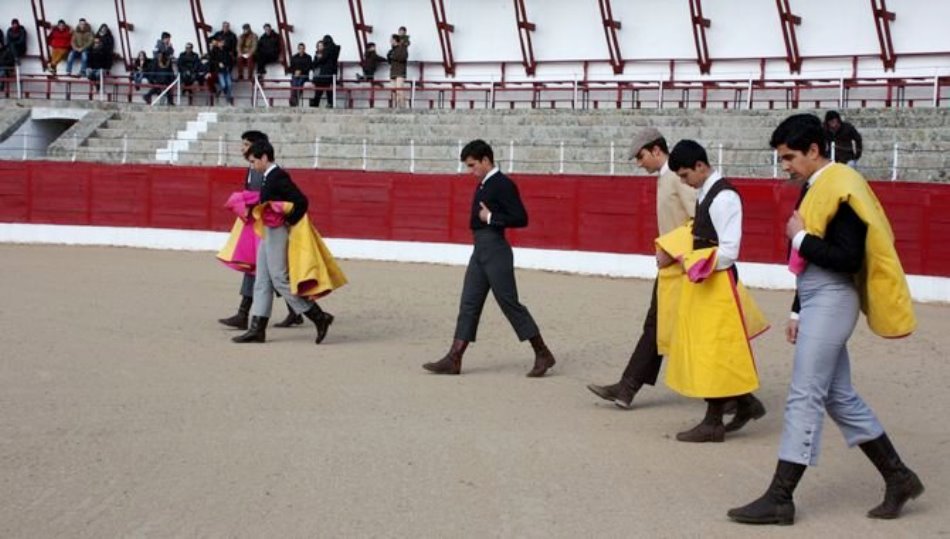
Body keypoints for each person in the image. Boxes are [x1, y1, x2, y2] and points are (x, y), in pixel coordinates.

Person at [727, 114, 923, 525]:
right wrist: (799, 308)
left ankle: (781, 497)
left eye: (789, 158)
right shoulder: (821, 186)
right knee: (838, 396)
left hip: (833, 296)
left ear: (814, 150)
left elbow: (847, 258)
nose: (785, 167)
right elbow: (810, 259)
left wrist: (799, 237)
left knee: (804, 394)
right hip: (819, 297)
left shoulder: (842, 187)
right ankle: (899, 477)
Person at [658, 140, 767, 443]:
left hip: (717, 282)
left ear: (701, 167)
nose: (683, 182)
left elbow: (729, 252)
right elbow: (698, 232)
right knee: (714, 348)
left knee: (713, 349)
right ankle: (745, 403)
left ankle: (714, 421)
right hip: (708, 281)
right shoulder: (708, 192)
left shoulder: (725, 198)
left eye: (685, 175)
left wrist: (686, 259)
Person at [423, 139, 557, 377]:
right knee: (469, 303)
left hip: (495, 248)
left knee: (508, 303)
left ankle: (543, 353)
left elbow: (520, 218)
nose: (470, 171)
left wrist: (491, 217)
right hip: (481, 249)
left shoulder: (502, 184)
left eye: (473, 165)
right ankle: (454, 358)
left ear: (486, 160)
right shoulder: (486, 183)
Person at [586, 128, 697, 409]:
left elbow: (698, 220)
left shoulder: (676, 177)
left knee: (684, 329)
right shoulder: (667, 177)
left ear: (657, 150)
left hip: (687, 267)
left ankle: (738, 398)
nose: (639, 163)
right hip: (676, 267)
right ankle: (627, 388)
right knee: (657, 325)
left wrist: (672, 252)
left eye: (641, 156)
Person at [232, 140, 337, 345]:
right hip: (267, 230)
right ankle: (257, 329)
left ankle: (318, 316)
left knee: (279, 278)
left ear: (264, 158)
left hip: (276, 231)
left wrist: (288, 221)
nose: (252, 165)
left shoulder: (278, 176)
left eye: (254, 161)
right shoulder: (267, 176)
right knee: (262, 279)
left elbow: (302, 201)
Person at [219, 130, 302, 330]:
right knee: (263, 269)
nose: (243, 149)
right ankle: (292, 310)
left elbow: (262, 198)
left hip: (264, 223)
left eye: (247, 145)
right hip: (258, 222)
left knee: (266, 271)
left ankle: (248, 313)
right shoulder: (255, 167)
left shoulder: (263, 171)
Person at [311, 35, 340, 108]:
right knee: (328, 90)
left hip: (322, 74)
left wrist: (317, 60)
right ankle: (330, 103)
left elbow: (321, 60)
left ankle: (315, 104)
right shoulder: (335, 49)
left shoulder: (327, 50)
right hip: (330, 73)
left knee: (319, 90)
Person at [209, 37, 234, 105]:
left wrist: (229, 67)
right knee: (223, 85)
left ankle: (228, 99)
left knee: (229, 84)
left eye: (222, 42)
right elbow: (211, 60)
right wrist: (218, 63)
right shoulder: (214, 50)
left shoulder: (226, 50)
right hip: (219, 70)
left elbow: (230, 60)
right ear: (218, 43)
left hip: (226, 69)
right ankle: (219, 93)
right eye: (220, 42)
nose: (221, 44)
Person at [386, 34, 408, 108]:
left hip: (400, 72)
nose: (390, 41)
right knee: (393, 91)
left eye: (391, 39)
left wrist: (393, 56)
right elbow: (389, 61)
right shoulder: (391, 50)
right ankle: (395, 107)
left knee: (399, 90)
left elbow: (403, 58)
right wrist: (389, 56)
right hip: (393, 72)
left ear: (395, 40)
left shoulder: (402, 48)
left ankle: (402, 107)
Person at [288, 42, 312, 107]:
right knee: (294, 83)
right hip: (295, 76)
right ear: (298, 49)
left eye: (303, 48)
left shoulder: (308, 57)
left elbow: (309, 67)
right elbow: (291, 68)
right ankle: (294, 100)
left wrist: (300, 71)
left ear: (305, 49)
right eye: (300, 48)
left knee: (299, 83)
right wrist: (295, 72)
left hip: (304, 76)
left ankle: (294, 100)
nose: (301, 50)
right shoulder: (294, 57)